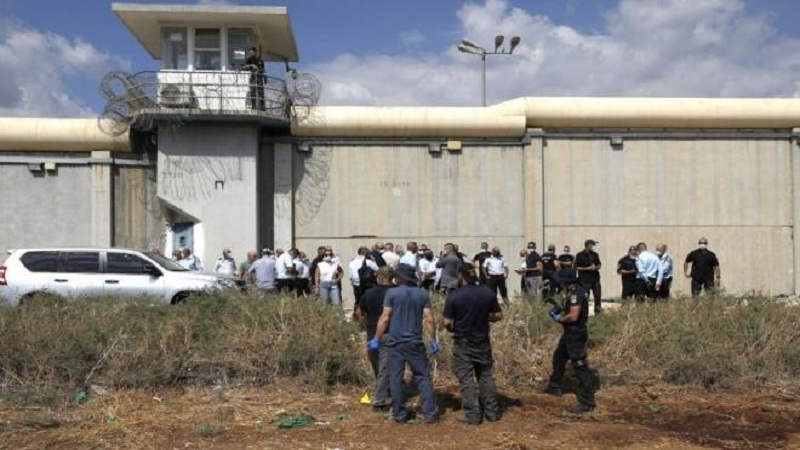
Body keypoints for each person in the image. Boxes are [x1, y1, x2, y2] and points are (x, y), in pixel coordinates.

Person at [373, 264, 440, 424]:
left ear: (400, 277)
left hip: (395, 343)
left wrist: (376, 338)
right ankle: (430, 413)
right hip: (415, 342)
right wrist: (433, 340)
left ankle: (400, 413)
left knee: (396, 377)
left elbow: (385, 317)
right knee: (423, 377)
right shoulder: (422, 294)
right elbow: (429, 319)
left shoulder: (392, 293)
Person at [442, 266, 504, 425]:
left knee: (466, 378)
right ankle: (492, 412)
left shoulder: (455, 295)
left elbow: (447, 322)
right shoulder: (488, 293)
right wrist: (486, 318)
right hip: (483, 341)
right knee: (486, 375)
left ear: (461, 276)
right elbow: (499, 315)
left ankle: (472, 414)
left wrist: (453, 329)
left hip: (463, 341)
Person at [543, 268, 597, 414]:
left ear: (565, 281)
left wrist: (560, 318)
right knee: (559, 357)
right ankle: (555, 386)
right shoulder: (573, 290)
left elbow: (573, 316)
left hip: (575, 334)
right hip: (570, 333)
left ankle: (587, 402)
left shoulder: (576, 293)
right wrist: (560, 309)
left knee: (580, 366)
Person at [357, 266, 395, 413]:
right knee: (387, 367)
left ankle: (381, 397)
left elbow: (359, 312)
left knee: (377, 365)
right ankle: (386, 394)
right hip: (390, 332)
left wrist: (365, 325)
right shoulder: (396, 292)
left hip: (373, 333)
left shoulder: (369, 293)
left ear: (380, 277)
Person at [574, 239, 602, 314]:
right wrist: (587, 268)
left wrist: (596, 267)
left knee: (598, 296)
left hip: (595, 278)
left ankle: (598, 313)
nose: (593, 246)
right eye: (592, 245)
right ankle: (584, 313)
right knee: (585, 297)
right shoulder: (580, 255)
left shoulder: (595, 254)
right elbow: (576, 267)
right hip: (584, 280)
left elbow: (599, 264)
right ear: (588, 245)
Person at [316, 249, 344, 318]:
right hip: (324, 284)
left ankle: (341, 318)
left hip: (333, 284)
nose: (328, 256)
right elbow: (317, 275)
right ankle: (323, 318)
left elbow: (341, 272)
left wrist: (337, 280)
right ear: (323, 256)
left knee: (337, 302)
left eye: (330, 255)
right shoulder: (320, 264)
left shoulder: (335, 264)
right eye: (326, 255)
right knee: (324, 303)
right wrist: (317, 286)